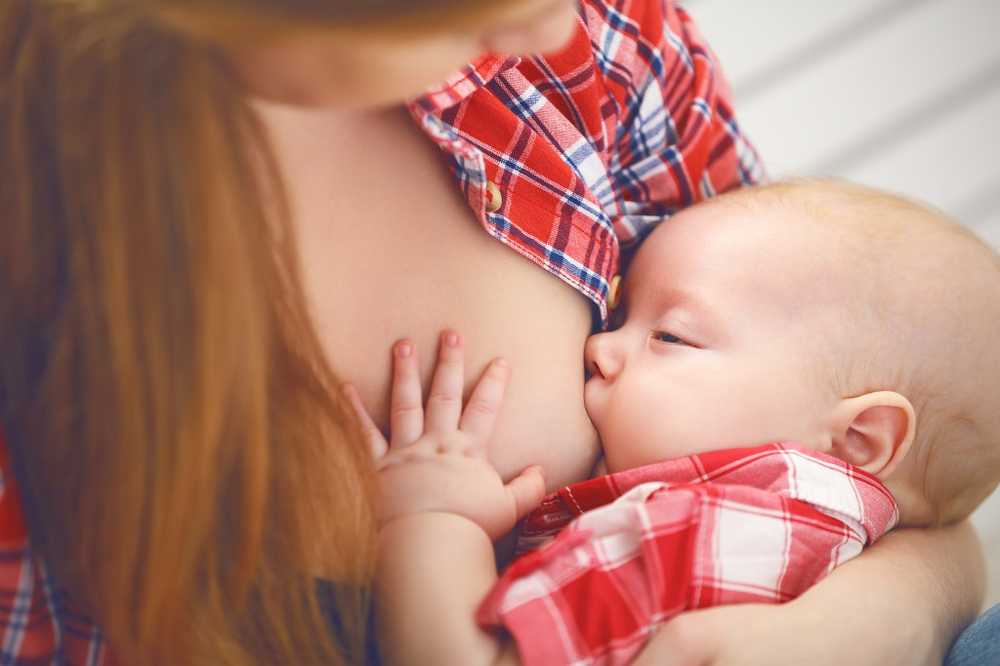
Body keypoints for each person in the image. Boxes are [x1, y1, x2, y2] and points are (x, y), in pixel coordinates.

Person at [0, 0, 987, 662]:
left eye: (671, 338)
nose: (560, 20)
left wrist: (886, 610)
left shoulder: (590, 44)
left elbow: (906, 451)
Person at [362, 180, 1000, 665]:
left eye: (669, 336)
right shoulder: (826, 544)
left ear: (859, 439)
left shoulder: (680, 538)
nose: (600, 348)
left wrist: (429, 520)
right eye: (619, 314)